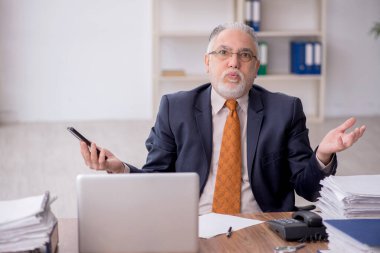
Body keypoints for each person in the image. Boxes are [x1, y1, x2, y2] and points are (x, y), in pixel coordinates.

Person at [79, 22, 365, 214]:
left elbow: (310, 190)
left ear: (255, 67)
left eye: (244, 55)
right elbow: (157, 181)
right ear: (207, 62)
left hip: (262, 228)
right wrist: (121, 169)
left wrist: (323, 155)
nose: (233, 62)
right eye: (223, 53)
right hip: (194, 225)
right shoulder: (174, 108)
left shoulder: (285, 110)